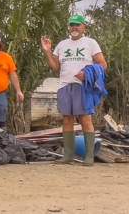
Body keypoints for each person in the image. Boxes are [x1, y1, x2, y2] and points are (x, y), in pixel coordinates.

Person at [41, 14, 108, 165]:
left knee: (85, 118)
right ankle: (68, 156)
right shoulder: (62, 44)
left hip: (82, 86)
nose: (74, 27)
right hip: (65, 85)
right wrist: (47, 51)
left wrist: (87, 74)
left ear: (84, 27)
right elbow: (56, 68)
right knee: (67, 119)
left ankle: (89, 156)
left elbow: (103, 64)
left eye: (77, 25)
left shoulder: (90, 43)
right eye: (72, 25)